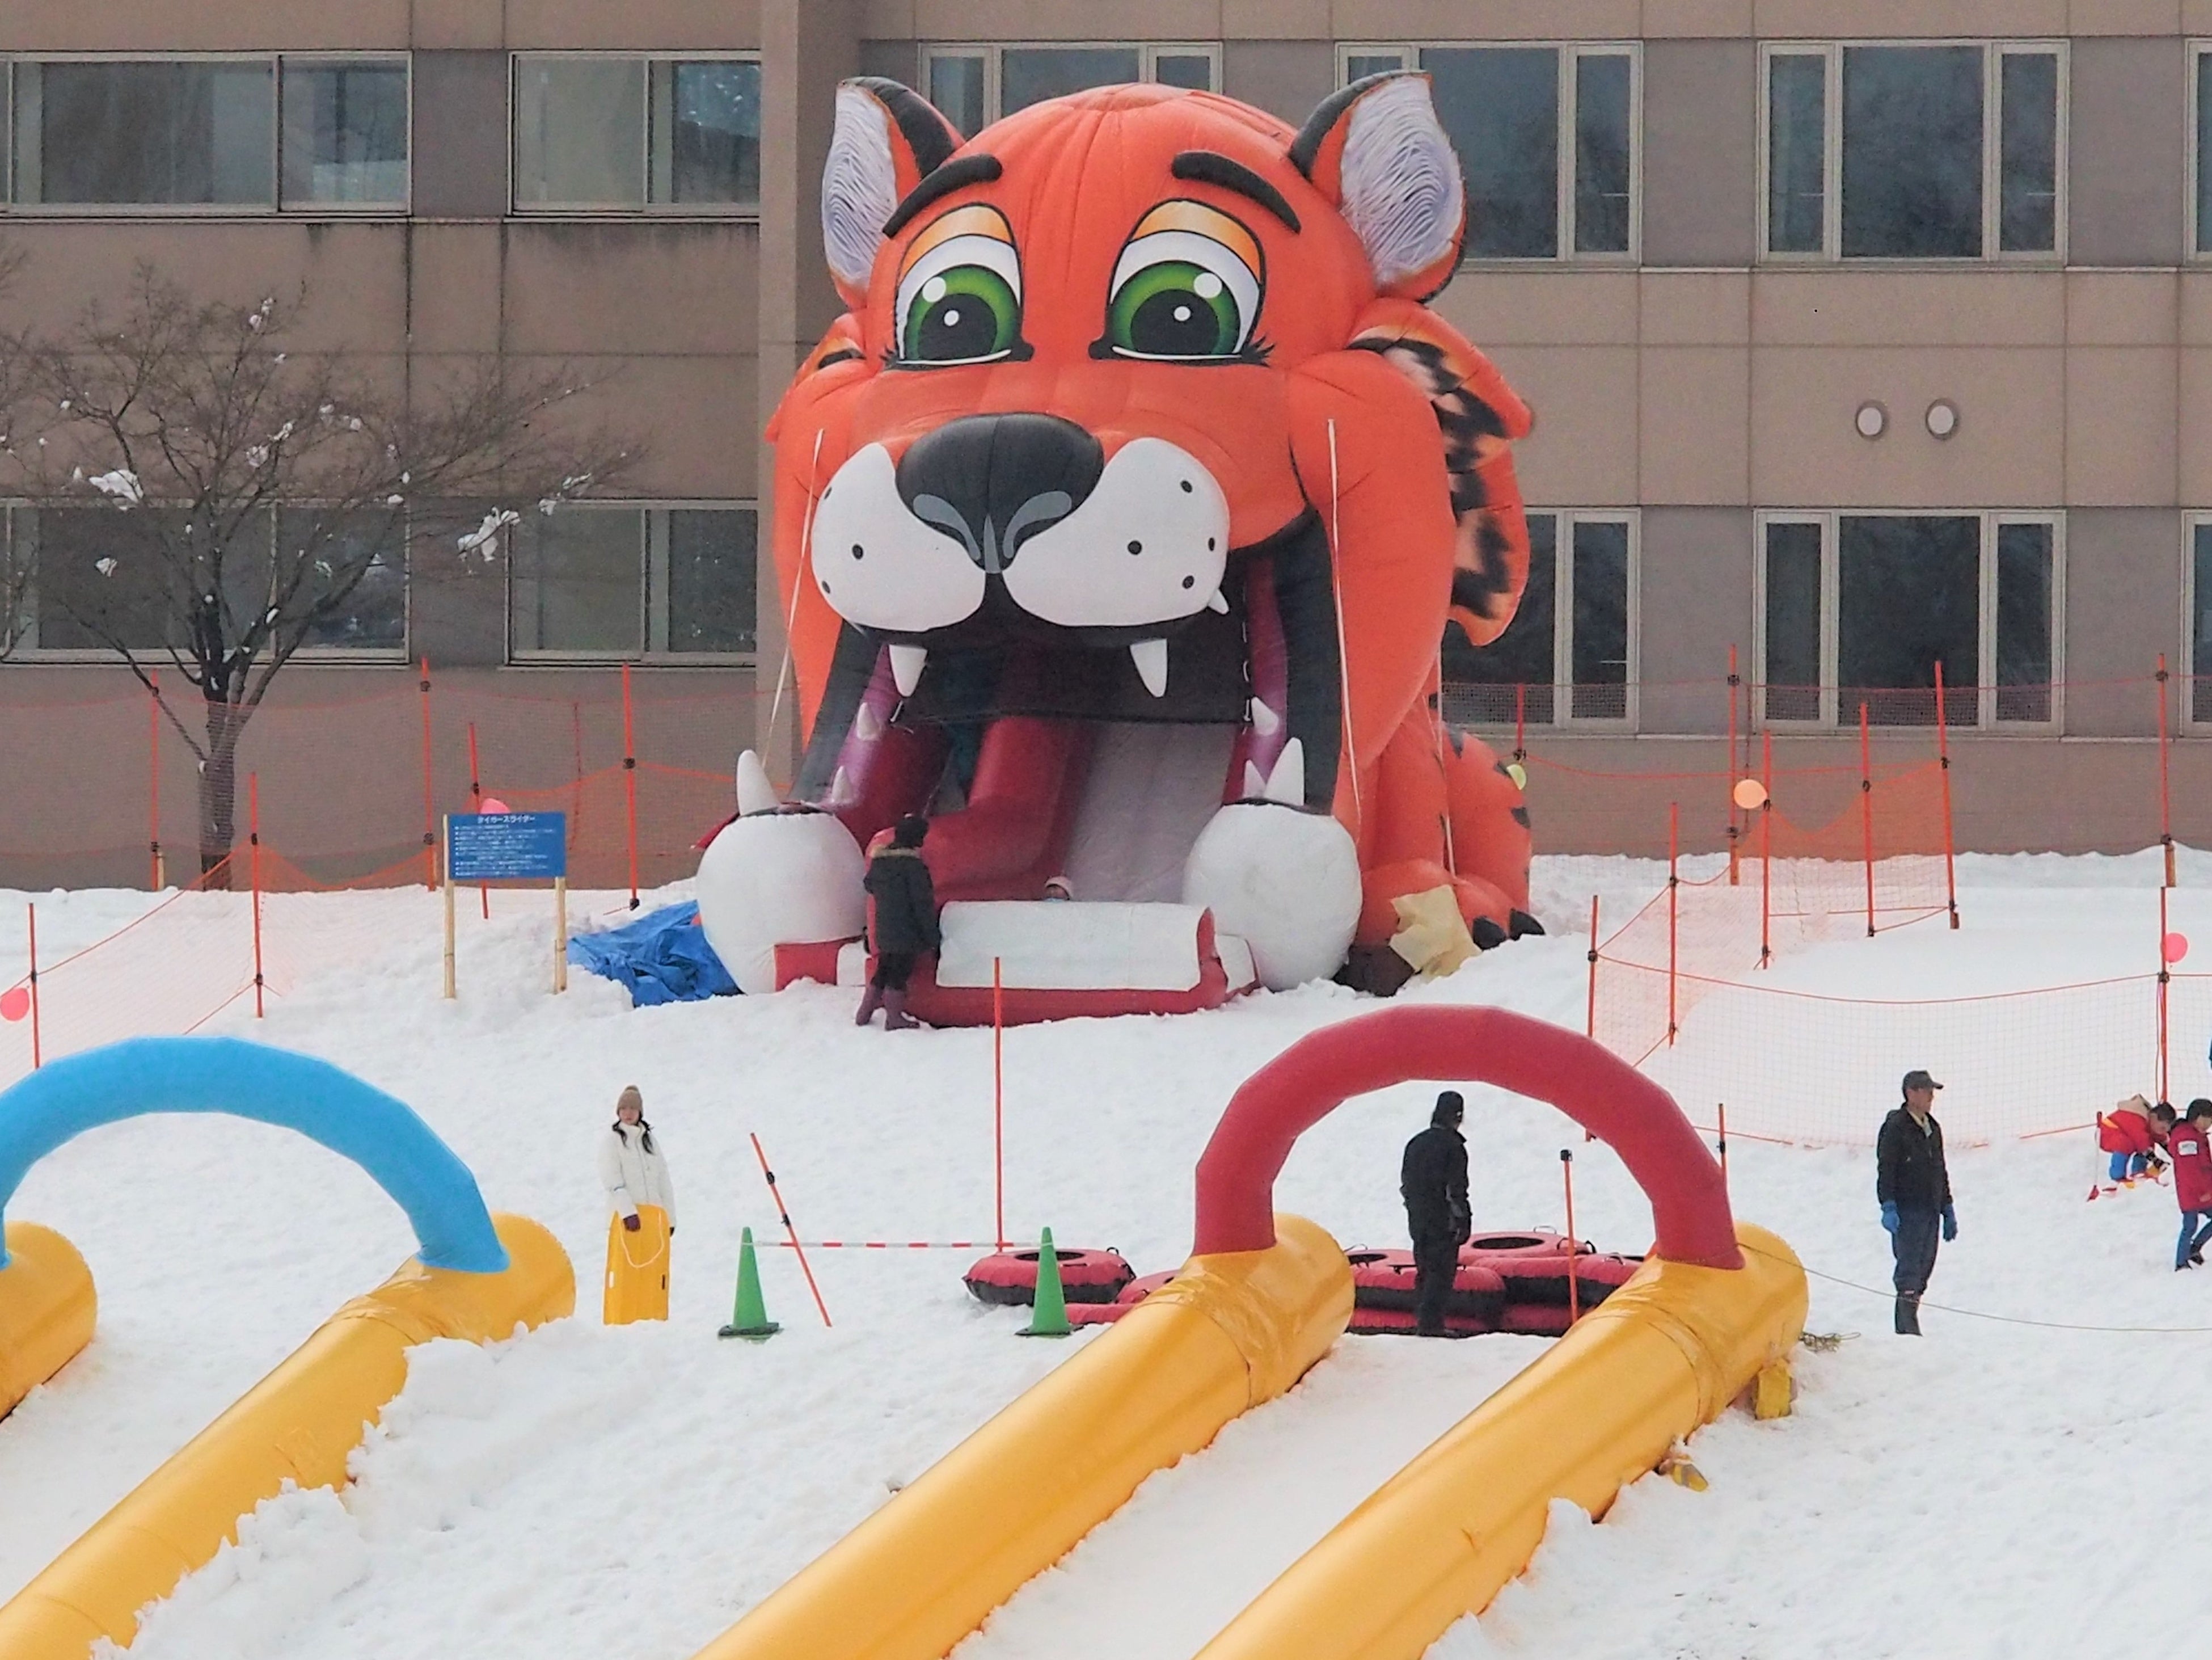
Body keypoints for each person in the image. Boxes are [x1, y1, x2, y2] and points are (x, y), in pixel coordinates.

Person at [1876, 1068, 1955, 1335]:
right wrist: (1888, 1204)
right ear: (1911, 1093)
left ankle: (1912, 1318)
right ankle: (1906, 1329)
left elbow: (1940, 1170)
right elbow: (1886, 1169)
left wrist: (1947, 1206)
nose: (1932, 1097)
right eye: (1927, 1091)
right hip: (1908, 1210)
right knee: (1909, 1268)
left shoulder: (1933, 1128)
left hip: (1931, 1209)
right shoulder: (1896, 1127)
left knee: (1924, 1267)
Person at [858, 814, 940, 1030]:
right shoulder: (914, 867)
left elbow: (869, 885)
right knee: (899, 974)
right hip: (907, 931)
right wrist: (933, 937)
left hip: (884, 927)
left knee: (884, 968)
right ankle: (894, 1018)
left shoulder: (880, 862)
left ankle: (865, 1011)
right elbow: (922, 905)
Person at [1401, 1091, 1471, 1337]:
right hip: (1443, 1219)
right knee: (1441, 1273)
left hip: (1417, 1217)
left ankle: (1422, 1321)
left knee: (1424, 1269)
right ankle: (1432, 1326)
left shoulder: (1416, 1143)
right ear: (1458, 1116)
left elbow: (1406, 1184)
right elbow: (1456, 1189)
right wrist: (1463, 1219)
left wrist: (1413, 1209)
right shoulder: (1453, 1147)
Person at [598, 1085, 675, 1236]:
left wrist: (670, 1219)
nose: (628, 1113)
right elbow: (612, 1181)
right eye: (624, 1108)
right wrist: (628, 1213)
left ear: (640, 1112)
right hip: (625, 1221)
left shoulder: (650, 1142)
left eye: (633, 1108)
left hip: (652, 1218)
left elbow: (663, 1180)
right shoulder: (612, 1141)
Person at [2170, 1099, 2212, 1270]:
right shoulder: (2186, 1139)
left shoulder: (2198, 1136)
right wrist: (2203, 1191)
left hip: (2205, 1191)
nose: (2208, 1125)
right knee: (2189, 1225)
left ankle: (2194, 1248)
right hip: (2192, 1192)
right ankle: (2181, 1262)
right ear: (2194, 1118)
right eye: (2205, 1120)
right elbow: (2190, 1171)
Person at [2099, 1095, 2172, 1184]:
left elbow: (2159, 1138)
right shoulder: (2137, 1119)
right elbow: (2142, 1144)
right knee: (2126, 1144)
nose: (2163, 1132)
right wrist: (2157, 1161)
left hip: (2124, 1133)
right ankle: (2117, 1176)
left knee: (2147, 1141)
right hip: (2107, 1133)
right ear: (2153, 1117)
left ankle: (2139, 1171)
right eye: (2162, 1128)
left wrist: (2173, 1151)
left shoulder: (2150, 1122)